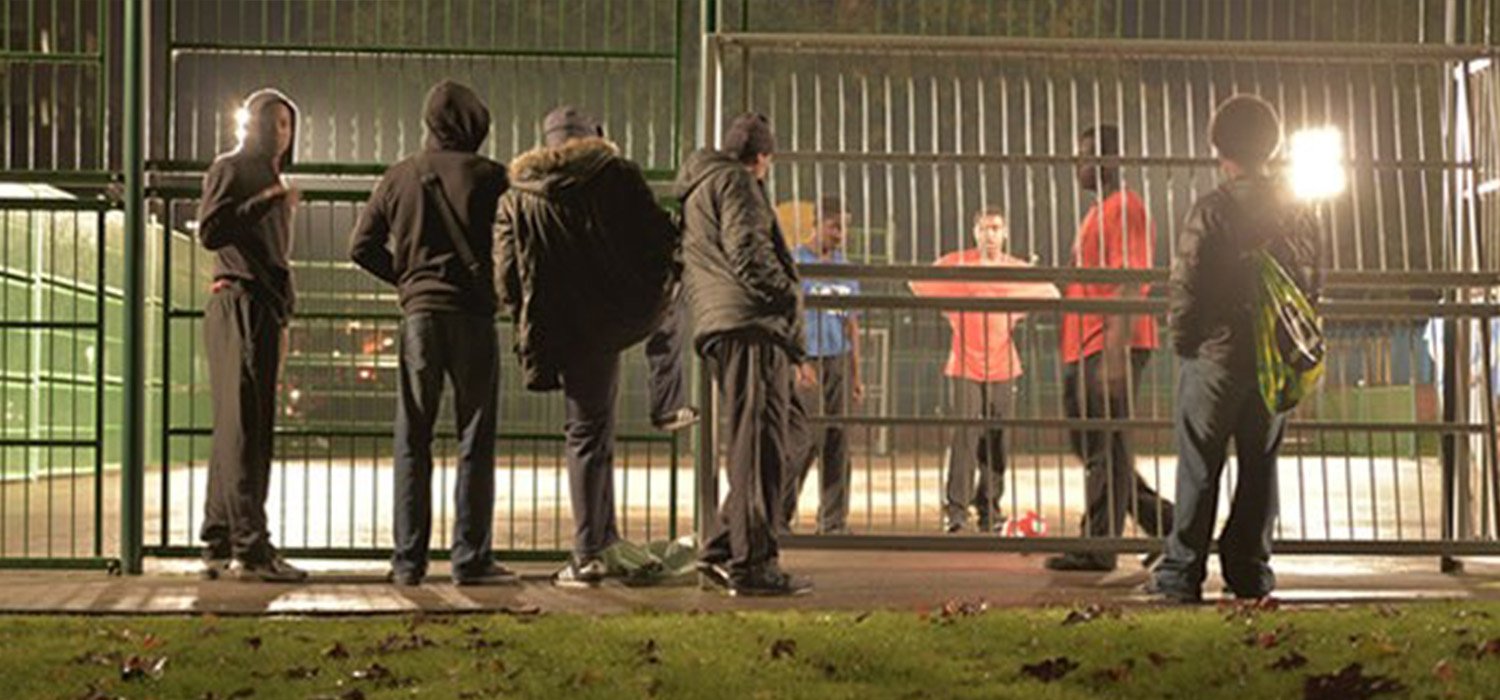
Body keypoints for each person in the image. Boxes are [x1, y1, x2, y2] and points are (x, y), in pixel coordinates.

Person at [496, 105, 680, 587]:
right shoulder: (616, 175)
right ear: (595, 136)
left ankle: (601, 541)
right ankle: (588, 550)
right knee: (594, 434)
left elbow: (506, 273)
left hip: (564, 327)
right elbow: (659, 239)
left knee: (588, 432)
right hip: (615, 317)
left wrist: (528, 318)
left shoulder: (517, 195)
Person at [1150, 95, 1319, 603]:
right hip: (1272, 360)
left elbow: (1188, 284)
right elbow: (1312, 283)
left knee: (1199, 467)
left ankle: (1182, 572)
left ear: (1218, 147)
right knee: (1259, 466)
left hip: (1216, 357)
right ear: (1274, 145)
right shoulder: (1299, 211)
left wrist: (1185, 343)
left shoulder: (1212, 210)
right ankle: (1249, 569)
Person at [349, 80, 513, 586]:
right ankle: (470, 559)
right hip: (474, 319)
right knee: (474, 437)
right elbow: (514, 245)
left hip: (420, 318)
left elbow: (361, 246)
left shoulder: (400, 176)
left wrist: (410, 280)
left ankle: (408, 562)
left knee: (412, 438)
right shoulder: (493, 178)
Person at [678, 113, 811, 596]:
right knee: (758, 445)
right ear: (762, 159)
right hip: (750, 325)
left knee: (789, 433)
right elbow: (750, 254)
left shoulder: (700, 188)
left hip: (727, 324)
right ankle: (753, 564)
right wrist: (787, 297)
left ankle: (720, 546)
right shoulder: (738, 183)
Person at [1046, 124, 1175, 572]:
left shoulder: (1126, 208)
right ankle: (1168, 523)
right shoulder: (1097, 213)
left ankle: (1099, 545)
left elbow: (1130, 278)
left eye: (1086, 156)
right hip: (1081, 341)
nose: (1080, 165)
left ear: (1110, 160)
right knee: (1096, 444)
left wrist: (1116, 349)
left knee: (1103, 444)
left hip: (1110, 340)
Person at [196, 88, 307, 583]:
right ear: (254, 126)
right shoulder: (234, 168)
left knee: (238, 425)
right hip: (238, 300)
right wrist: (264, 203)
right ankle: (251, 549)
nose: (281, 133)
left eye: (287, 124)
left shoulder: (273, 180)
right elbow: (211, 231)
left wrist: (284, 306)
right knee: (246, 429)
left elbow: (273, 257)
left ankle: (219, 539)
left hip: (262, 307)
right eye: (274, 123)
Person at [909, 207, 1060, 533]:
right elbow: (916, 282)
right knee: (965, 437)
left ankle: (989, 508)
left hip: (1005, 366)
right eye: (984, 228)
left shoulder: (1016, 269)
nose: (990, 235)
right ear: (974, 232)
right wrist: (950, 308)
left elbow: (1050, 292)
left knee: (997, 440)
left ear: (1004, 233)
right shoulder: (958, 263)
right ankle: (957, 510)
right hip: (964, 364)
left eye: (995, 228)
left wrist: (1021, 309)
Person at [780, 196, 864, 535]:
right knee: (801, 442)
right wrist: (799, 362)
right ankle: (779, 517)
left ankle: (833, 521)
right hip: (807, 360)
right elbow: (788, 317)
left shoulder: (844, 267)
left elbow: (852, 323)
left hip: (838, 360)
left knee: (838, 440)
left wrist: (857, 374)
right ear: (817, 224)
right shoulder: (796, 262)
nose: (840, 234)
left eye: (845, 227)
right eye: (835, 226)